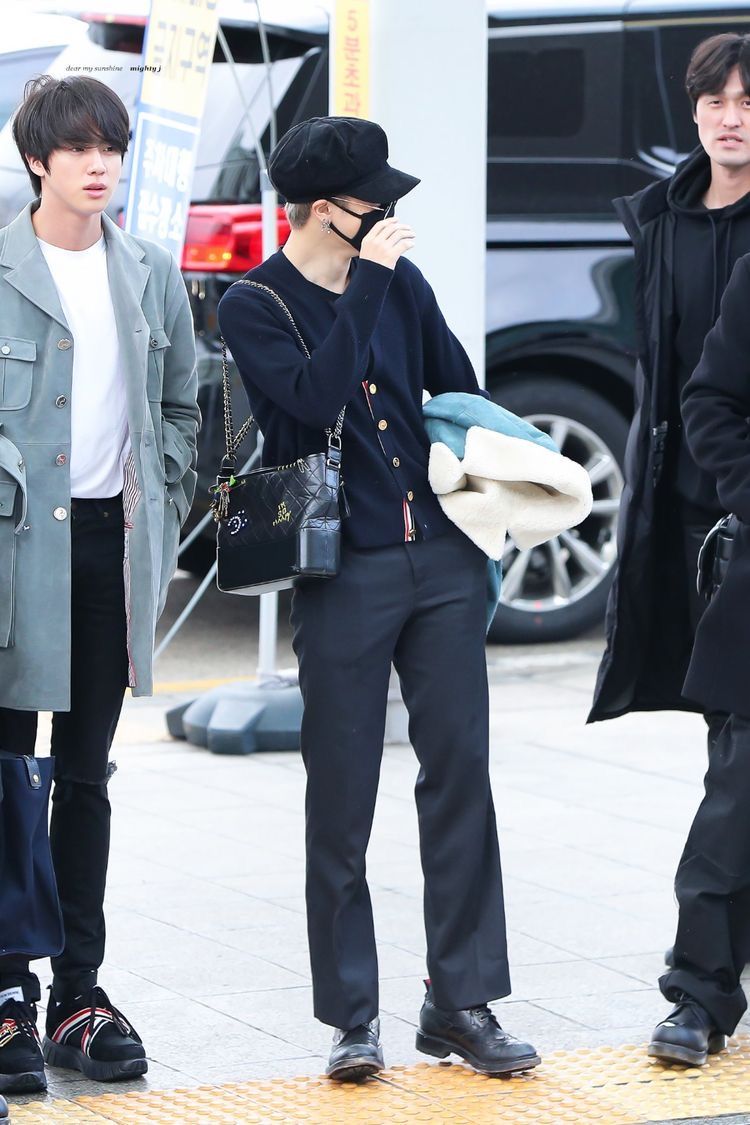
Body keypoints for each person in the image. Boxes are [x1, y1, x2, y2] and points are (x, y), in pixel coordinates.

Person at [218, 116, 540, 1081]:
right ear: (326, 210)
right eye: (376, 200)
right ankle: (352, 1016)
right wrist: (368, 284)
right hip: (343, 569)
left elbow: (457, 389)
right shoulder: (253, 304)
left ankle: (461, 1001)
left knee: (460, 774)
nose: (392, 212)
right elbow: (312, 400)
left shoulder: (402, 282)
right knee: (341, 792)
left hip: (441, 560)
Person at [0, 76, 200, 1092]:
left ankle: (78, 992)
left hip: (103, 550)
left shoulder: (148, 271)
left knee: (85, 776)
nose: (98, 165)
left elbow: (182, 407)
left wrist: (159, 490)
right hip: (8, 550)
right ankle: (6, 991)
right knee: (6, 772)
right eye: (77, 148)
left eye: (111, 148)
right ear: (37, 159)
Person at [589, 33, 750, 735]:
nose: (731, 118)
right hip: (688, 494)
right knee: (717, 699)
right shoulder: (660, 221)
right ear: (694, 111)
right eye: (716, 101)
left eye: (748, 103)